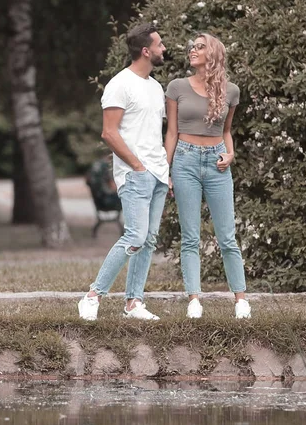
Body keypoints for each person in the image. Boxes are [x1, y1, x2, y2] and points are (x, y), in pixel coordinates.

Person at [78, 23, 168, 321]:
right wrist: (138, 166)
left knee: (149, 239)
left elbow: (154, 134)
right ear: (146, 51)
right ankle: (93, 295)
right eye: (159, 44)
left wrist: (162, 172)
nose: (164, 49)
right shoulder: (120, 84)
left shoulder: (155, 87)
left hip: (157, 174)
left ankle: (133, 303)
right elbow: (109, 133)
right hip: (135, 175)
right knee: (135, 236)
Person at [164, 33, 251, 319]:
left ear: (213, 54)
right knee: (190, 236)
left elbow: (227, 131)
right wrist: (166, 171)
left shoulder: (231, 91)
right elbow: (172, 132)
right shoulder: (177, 87)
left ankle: (240, 301)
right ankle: (194, 300)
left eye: (200, 47)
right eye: (192, 47)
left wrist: (231, 154)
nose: (193, 50)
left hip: (217, 164)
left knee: (227, 236)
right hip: (185, 161)